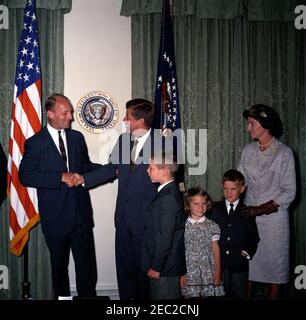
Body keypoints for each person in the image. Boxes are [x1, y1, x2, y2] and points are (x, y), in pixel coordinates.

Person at [73, 98, 166, 300]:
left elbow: (167, 186)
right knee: (124, 273)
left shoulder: (163, 143)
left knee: (143, 278)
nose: (124, 120)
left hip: (146, 221)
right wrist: (83, 179)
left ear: (140, 121)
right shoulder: (124, 141)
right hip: (123, 219)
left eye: (128, 116)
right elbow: (111, 169)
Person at [19, 93, 101, 299]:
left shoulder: (77, 138)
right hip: (55, 219)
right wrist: (60, 177)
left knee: (87, 269)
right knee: (59, 269)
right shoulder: (35, 143)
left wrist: (111, 169)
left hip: (81, 216)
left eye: (70, 112)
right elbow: (26, 175)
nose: (70, 117)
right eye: (65, 112)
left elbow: (85, 167)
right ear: (50, 114)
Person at [238, 104, 296, 299]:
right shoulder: (248, 150)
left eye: (251, 123)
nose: (248, 128)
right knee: (249, 267)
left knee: (275, 271)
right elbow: (240, 181)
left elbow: (289, 192)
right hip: (249, 219)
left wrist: (260, 209)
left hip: (274, 223)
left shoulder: (284, 153)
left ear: (264, 124)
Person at [207, 169, 260, 299]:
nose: (228, 193)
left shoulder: (247, 212)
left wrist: (245, 253)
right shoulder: (214, 209)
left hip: (239, 266)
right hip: (218, 265)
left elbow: (254, 237)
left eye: (233, 189)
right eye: (225, 189)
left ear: (242, 189)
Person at [142, 152, 186, 299]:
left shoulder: (168, 198)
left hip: (165, 268)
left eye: (151, 168)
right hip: (164, 266)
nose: (147, 170)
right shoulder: (166, 192)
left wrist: (156, 266)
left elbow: (165, 236)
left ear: (165, 171)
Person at [180, 187, 225, 298]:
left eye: (203, 203)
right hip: (189, 274)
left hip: (208, 273)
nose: (200, 207)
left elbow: (216, 249)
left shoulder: (212, 225)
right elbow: (179, 251)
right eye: (196, 204)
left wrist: (218, 272)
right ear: (188, 205)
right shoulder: (182, 226)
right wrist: (181, 273)